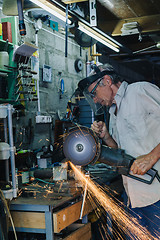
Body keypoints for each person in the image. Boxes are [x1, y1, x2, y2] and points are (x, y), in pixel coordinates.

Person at [77, 63, 160, 238]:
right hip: (133, 198)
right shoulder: (115, 111)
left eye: (94, 93)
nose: (95, 100)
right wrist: (107, 137)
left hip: (156, 196)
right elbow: (121, 153)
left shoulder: (140, 91)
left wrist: (152, 156)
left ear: (106, 81)